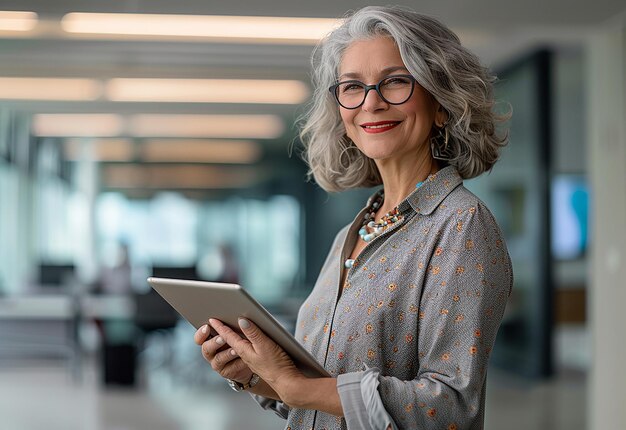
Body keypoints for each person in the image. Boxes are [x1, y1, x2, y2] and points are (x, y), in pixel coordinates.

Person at [193, 5, 513, 429]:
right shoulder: (352, 233)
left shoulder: (460, 225)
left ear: (442, 103)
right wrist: (257, 375)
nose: (372, 102)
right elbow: (319, 399)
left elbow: (451, 407)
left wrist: (296, 386)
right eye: (352, 87)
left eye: (396, 81)